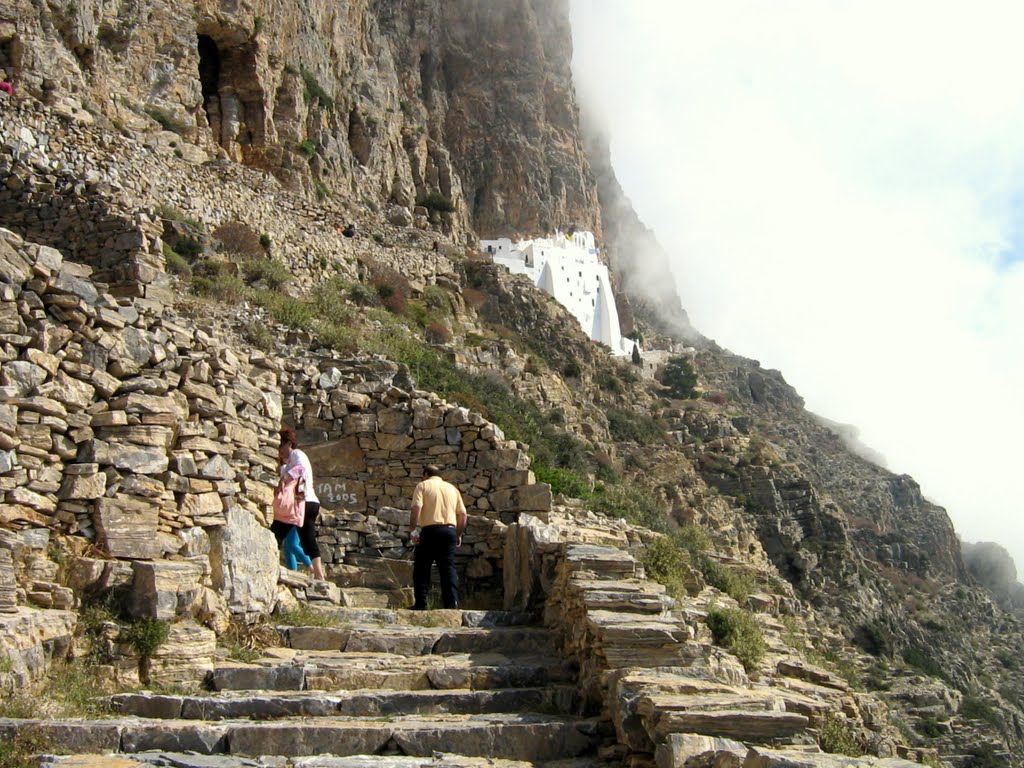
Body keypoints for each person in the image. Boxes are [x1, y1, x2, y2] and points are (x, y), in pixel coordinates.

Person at [408, 464, 467, 610]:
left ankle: (421, 603)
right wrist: (458, 534)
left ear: (425, 474)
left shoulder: (423, 485)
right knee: (448, 568)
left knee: (422, 567)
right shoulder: (452, 489)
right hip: (449, 531)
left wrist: (413, 529)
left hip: (430, 531)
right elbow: (463, 514)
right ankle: (451, 604)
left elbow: (416, 507)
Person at [274, 427, 325, 580]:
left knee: (277, 532)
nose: (280, 450)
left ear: (289, 444)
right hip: (310, 502)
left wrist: (285, 478)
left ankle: (270, 565)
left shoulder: (297, 454)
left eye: (281, 446)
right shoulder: (288, 463)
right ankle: (318, 574)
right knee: (307, 538)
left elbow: (300, 468)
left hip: (303, 503)